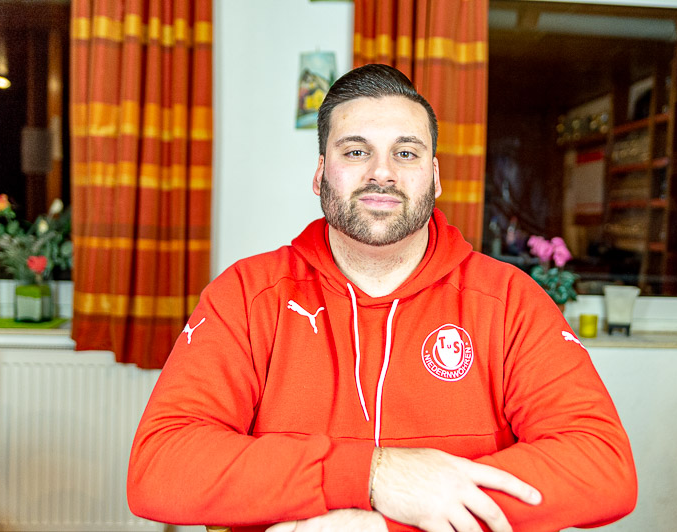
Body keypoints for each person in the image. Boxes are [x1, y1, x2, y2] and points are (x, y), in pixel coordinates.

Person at [127, 64, 637, 532]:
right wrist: (372, 475)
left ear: (434, 177)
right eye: (356, 151)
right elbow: (160, 467)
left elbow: (601, 466)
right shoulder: (247, 295)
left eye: (406, 153)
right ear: (320, 173)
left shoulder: (509, 301)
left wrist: (380, 525)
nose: (382, 172)